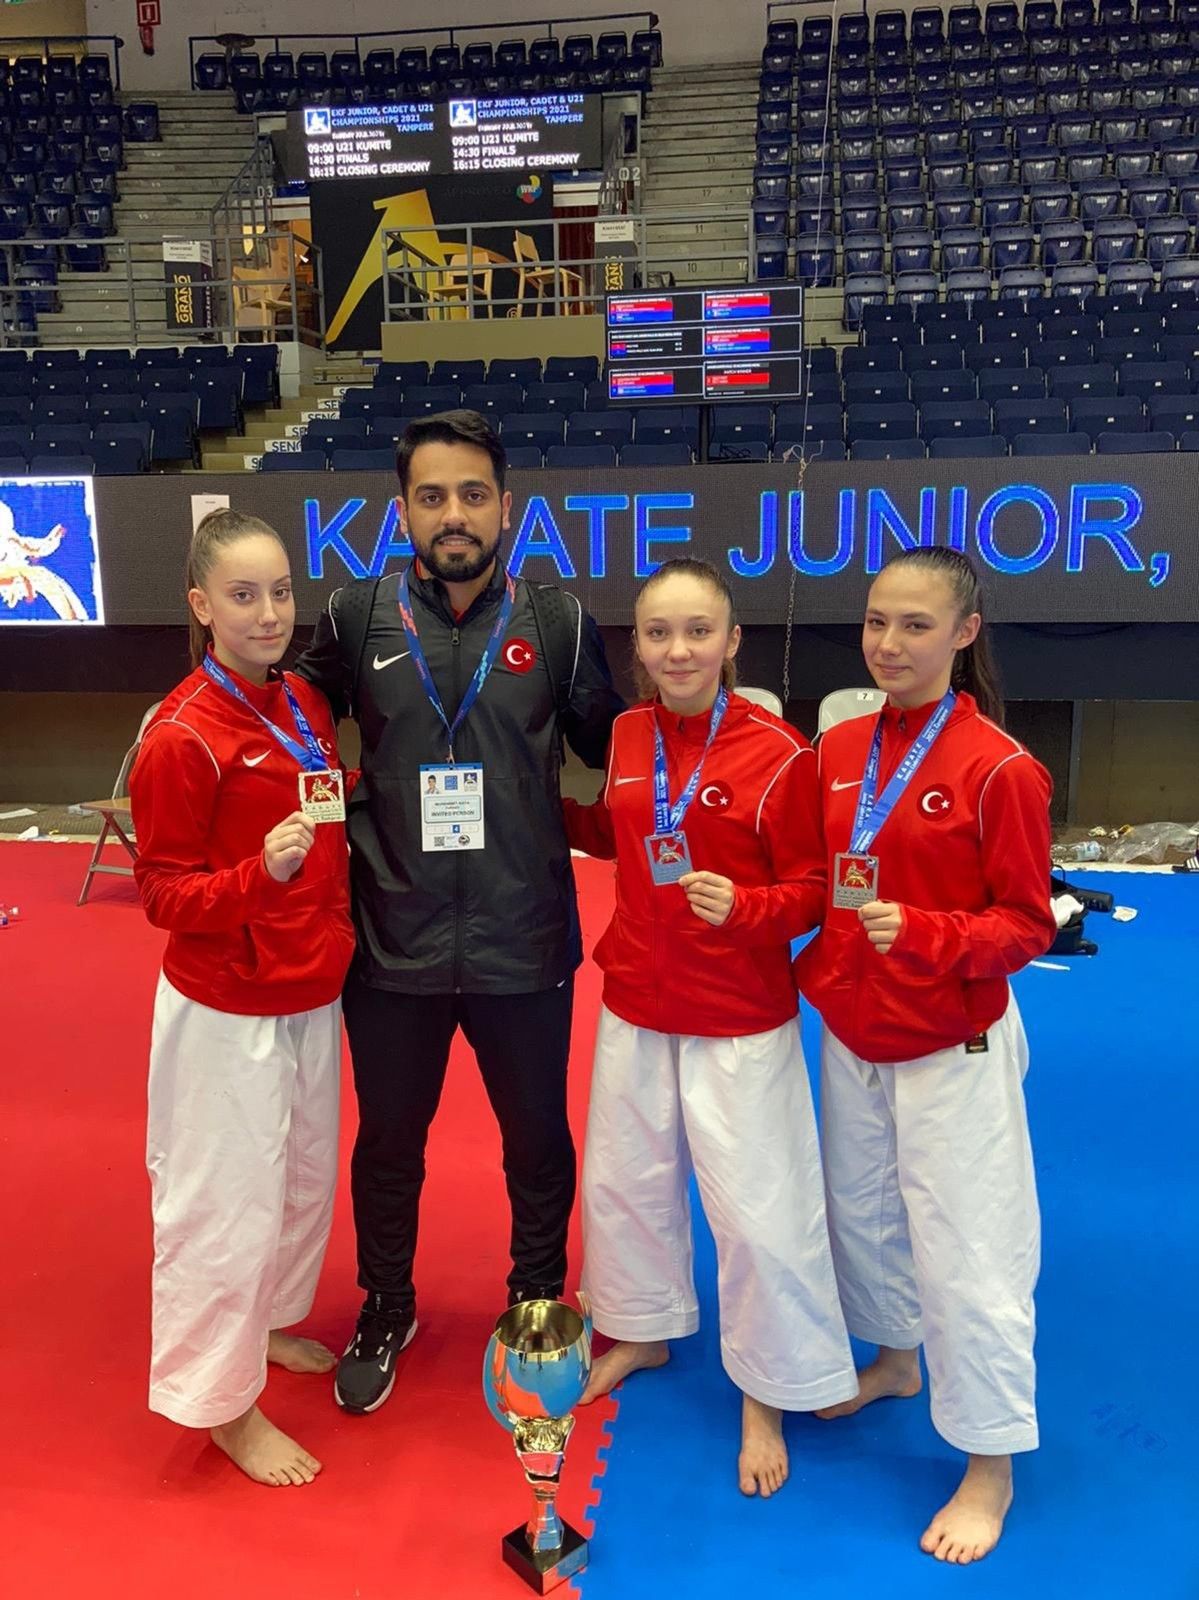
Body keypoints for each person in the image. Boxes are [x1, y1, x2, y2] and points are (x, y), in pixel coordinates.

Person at [293, 409, 623, 1415]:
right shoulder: (354, 616)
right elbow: (288, 727)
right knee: (389, 1142)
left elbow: (619, 750)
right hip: (391, 938)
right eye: (431, 496)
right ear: (402, 510)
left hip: (523, 937)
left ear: (504, 507)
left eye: (472, 495)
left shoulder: (557, 623)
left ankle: (535, 1303)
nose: (453, 514)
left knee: (536, 1139)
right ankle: (386, 1305)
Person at [563, 557, 857, 1497]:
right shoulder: (626, 732)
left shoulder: (781, 753)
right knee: (623, 1185)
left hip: (737, 1013)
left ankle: (769, 1387)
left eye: (697, 632)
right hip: (636, 999)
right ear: (637, 648)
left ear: (731, 643)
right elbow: (619, 831)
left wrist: (748, 908)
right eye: (658, 634)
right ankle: (641, 1328)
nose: (678, 650)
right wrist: (530, 809)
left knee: (760, 1212)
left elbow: (815, 888)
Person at [795, 546, 1056, 1564]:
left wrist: (927, 933)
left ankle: (990, 1463)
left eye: (914, 624)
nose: (889, 643)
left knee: (970, 1251)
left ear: (962, 632)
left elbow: (1026, 924)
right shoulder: (835, 748)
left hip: (953, 1039)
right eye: (876, 621)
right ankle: (896, 1358)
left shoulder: (1000, 768)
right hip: (853, 1028)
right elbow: (813, 877)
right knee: (859, 1216)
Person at [128, 510, 355, 1486]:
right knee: (223, 1205)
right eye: (243, 595)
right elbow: (161, 896)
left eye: (280, 592)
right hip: (225, 1005)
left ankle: (261, 1325)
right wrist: (259, 877)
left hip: (310, 984)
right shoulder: (181, 735)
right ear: (201, 605)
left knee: (299, 1181)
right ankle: (219, 1405)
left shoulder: (299, 700)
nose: (268, 614)